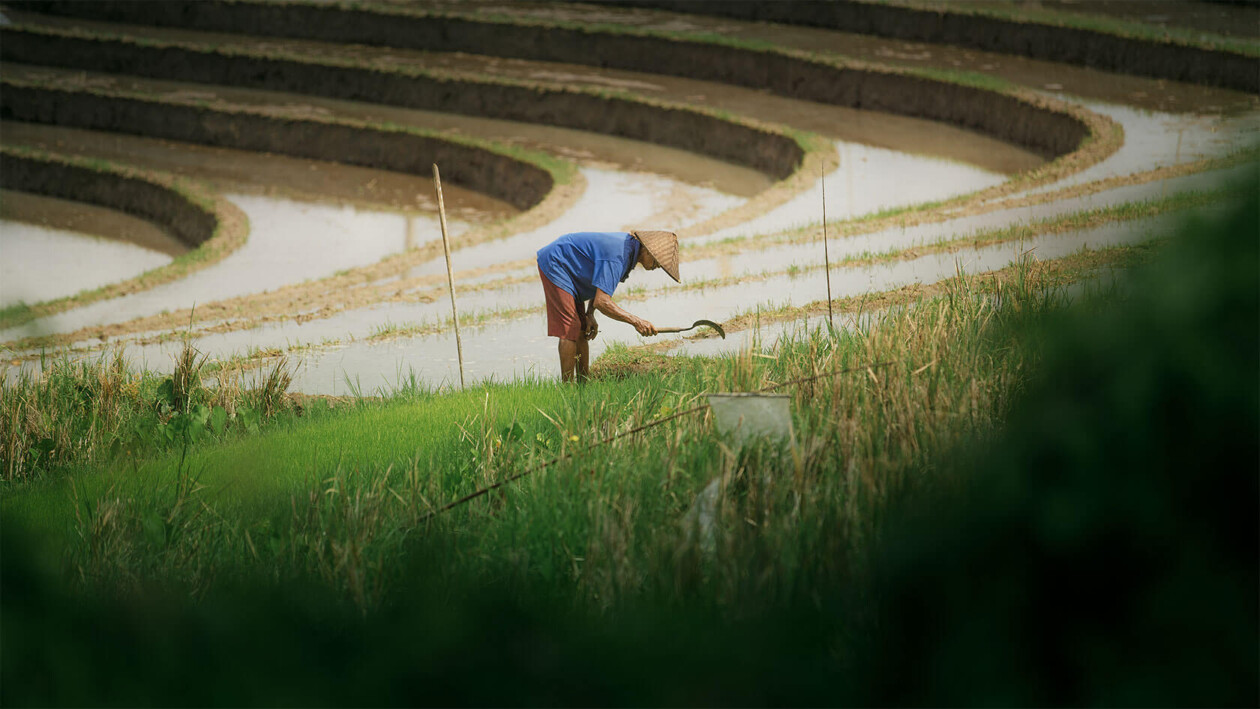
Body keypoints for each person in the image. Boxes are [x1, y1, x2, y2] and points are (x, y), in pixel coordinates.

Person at [536, 230, 680, 381]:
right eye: (658, 261)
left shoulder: (628, 254)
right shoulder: (619, 255)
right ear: (648, 250)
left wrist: (589, 313)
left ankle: (584, 385)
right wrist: (637, 322)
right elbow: (602, 301)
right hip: (557, 261)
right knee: (570, 328)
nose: (657, 266)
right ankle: (567, 390)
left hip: (573, 268)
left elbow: (601, 284)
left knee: (582, 326)